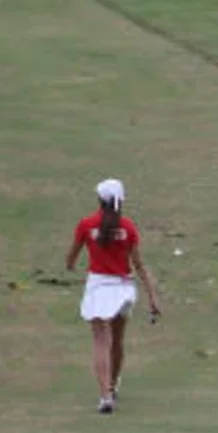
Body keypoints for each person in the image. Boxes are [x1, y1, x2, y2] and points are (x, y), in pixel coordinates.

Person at [65, 177, 161, 414]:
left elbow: (71, 257)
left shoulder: (86, 224)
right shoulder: (128, 227)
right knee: (117, 340)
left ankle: (105, 396)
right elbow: (138, 265)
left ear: (99, 199)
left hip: (99, 287)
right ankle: (113, 386)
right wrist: (152, 297)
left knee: (101, 341)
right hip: (123, 288)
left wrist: (71, 265)